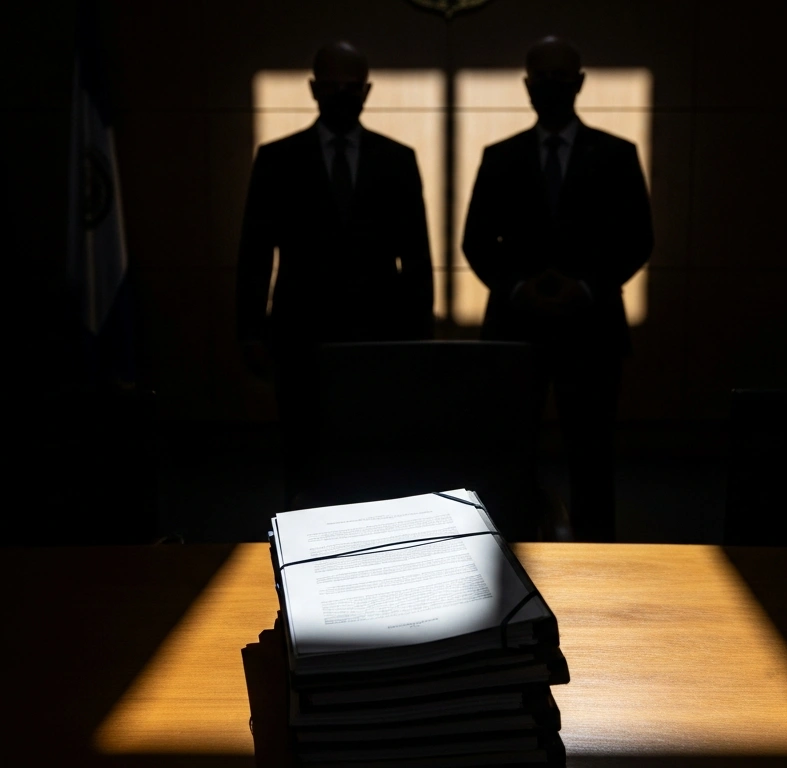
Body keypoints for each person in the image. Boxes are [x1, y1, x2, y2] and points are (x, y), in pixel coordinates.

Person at [462, 36, 653, 542]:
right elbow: (477, 240)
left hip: (591, 329)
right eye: (541, 78)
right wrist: (518, 288)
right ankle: (506, 551)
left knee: (592, 454)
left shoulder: (618, 154)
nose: (550, 86)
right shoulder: (499, 157)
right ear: (527, 85)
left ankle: (598, 557)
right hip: (514, 331)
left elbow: (638, 238)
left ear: (580, 83)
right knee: (509, 452)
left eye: (560, 78)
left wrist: (586, 289)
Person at [236, 41, 433, 506]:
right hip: (300, 334)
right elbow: (255, 251)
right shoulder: (277, 158)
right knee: (303, 460)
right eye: (332, 85)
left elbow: (418, 255)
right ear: (313, 88)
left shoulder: (396, 159)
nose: (342, 94)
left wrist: (420, 335)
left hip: (380, 337)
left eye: (351, 86)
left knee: (376, 459)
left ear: (366, 91)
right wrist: (249, 330)